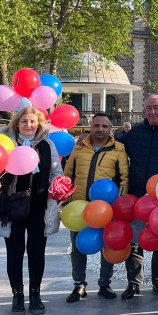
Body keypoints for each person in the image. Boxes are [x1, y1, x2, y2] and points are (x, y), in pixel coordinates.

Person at [0, 106, 62, 315]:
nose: (29, 125)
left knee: (37, 253)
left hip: (39, 206)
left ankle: (35, 295)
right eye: (24, 121)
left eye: (33, 121)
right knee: (15, 252)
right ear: (16, 124)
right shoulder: (5, 143)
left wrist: (58, 185)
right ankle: (17, 295)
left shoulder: (47, 145)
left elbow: (56, 171)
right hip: (12, 206)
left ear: (39, 123)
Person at [115, 94, 158, 299]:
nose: (152, 112)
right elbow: (115, 143)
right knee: (134, 241)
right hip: (136, 194)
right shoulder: (136, 132)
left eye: (156, 108)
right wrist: (88, 138)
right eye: (148, 108)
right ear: (144, 111)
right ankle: (134, 283)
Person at [63, 113, 129, 302]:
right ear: (90, 127)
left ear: (111, 129)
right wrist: (66, 200)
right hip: (79, 208)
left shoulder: (119, 149)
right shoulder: (80, 146)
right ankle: (79, 285)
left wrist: (119, 205)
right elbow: (68, 174)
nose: (100, 129)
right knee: (77, 247)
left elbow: (124, 179)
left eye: (105, 126)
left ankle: (104, 284)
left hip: (106, 210)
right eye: (96, 125)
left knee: (107, 246)